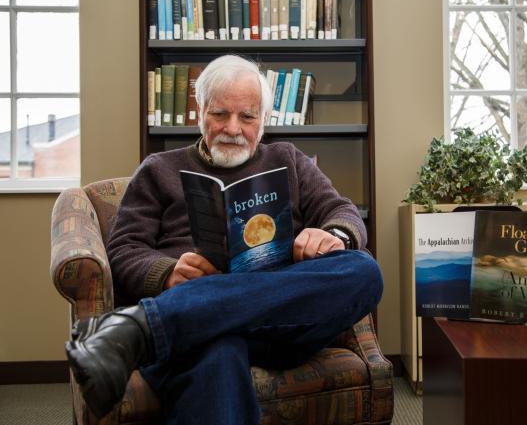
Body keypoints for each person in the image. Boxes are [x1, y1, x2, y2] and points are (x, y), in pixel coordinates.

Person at [65, 54, 383, 425]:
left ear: (264, 120)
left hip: (282, 323)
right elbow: (122, 249)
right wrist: (167, 272)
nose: (233, 127)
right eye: (220, 114)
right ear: (200, 111)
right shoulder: (158, 170)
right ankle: (174, 321)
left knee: (363, 269)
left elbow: (342, 212)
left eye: (247, 116)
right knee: (215, 352)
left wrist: (332, 236)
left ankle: (144, 328)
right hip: (200, 333)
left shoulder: (289, 160)